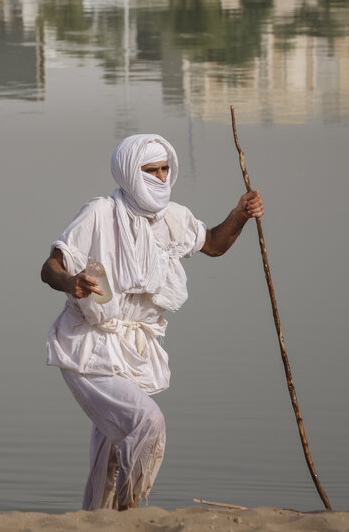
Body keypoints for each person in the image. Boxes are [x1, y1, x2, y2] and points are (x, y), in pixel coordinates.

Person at [40, 133, 264, 511]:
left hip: (133, 349)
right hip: (87, 345)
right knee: (147, 421)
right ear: (129, 173)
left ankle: (97, 516)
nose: (160, 178)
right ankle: (130, 511)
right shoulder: (99, 213)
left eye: (165, 169)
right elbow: (51, 266)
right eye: (150, 170)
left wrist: (240, 215)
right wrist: (70, 282)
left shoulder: (173, 217)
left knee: (111, 446)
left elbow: (213, 243)